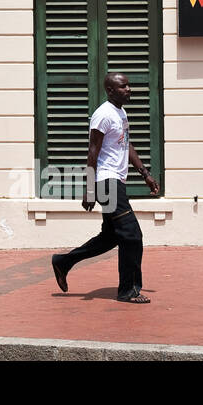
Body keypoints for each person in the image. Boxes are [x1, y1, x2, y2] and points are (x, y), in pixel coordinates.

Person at [51, 72, 159, 304]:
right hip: (106, 182)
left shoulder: (120, 112)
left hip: (115, 182)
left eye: (129, 85)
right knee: (132, 235)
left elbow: (126, 145)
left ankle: (63, 262)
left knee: (111, 237)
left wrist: (145, 174)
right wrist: (90, 189)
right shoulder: (102, 115)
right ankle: (128, 290)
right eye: (123, 86)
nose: (129, 89)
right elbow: (92, 153)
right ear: (110, 90)